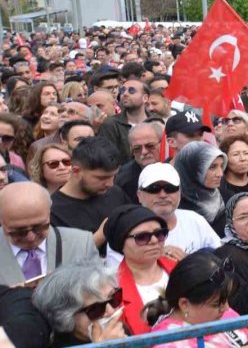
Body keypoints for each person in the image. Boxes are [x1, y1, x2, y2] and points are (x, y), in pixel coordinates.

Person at [0, 181, 98, 285]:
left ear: (49, 214)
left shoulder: (81, 244)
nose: (31, 237)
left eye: (39, 227)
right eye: (19, 231)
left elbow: (99, 291)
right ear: (2, 221)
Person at [103, 205, 176, 335]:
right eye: (142, 237)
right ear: (121, 244)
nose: (154, 241)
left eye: (159, 234)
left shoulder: (180, 268)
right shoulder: (111, 290)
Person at [50, 136, 131, 250]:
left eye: (114, 176)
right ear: (76, 171)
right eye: (102, 178)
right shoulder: (53, 210)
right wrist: (100, 235)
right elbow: (62, 259)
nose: (110, 183)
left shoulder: (115, 193)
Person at [134, 162, 222, 264]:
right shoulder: (129, 229)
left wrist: (190, 262)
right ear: (139, 195)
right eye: (154, 189)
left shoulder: (194, 220)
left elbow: (220, 256)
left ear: (180, 192)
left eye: (170, 188)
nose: (163, 194)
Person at [172, 141, 227, 235]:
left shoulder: (228, 199)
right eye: (212, 167)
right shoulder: (174, 205)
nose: (220, 174)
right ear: (192, 169)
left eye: (221, 166)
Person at [98, 79, 149, 163]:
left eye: (132, 91)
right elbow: (106, 157)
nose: (125, 94)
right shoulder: (110, 124)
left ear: (145, 98)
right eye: (122, 90)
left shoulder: (156, 122)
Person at [114, 122, 163, 203]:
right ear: (131, 150)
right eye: (137, 148)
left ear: (162, 144)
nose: (144, 152)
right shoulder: (123, 179)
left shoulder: (176, 168)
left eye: (150, 146)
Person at [218, 134, 248, 203]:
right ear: (225, 158)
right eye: (236, 154)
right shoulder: (217, 189)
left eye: (246, 153)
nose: (243, 159)